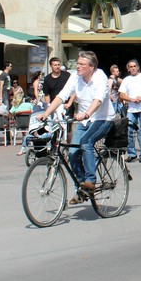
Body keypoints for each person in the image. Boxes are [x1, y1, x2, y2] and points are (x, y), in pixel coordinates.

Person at [38, 51, 113, 200]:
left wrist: (86, 114)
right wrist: (46, 114)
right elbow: (61, 96)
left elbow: (98, 99)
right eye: (77, 63)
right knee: (72, 152)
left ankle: (90, 181)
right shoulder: (75, 77)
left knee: (86, 142)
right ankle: (82, 186)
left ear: (91, 67)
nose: (77, 66)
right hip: (84, 120)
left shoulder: (100, 77)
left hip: (102, 118)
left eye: (81, 64)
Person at [118, 59, 141, 162]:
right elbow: (121, 94)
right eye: (130, 67)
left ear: (138, 67)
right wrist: (131, 99)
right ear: (128, 69)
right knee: (129, 130)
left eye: (134, 66)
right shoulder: (126, 80)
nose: (133, 68)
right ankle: (132, 153)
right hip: (132, 109)